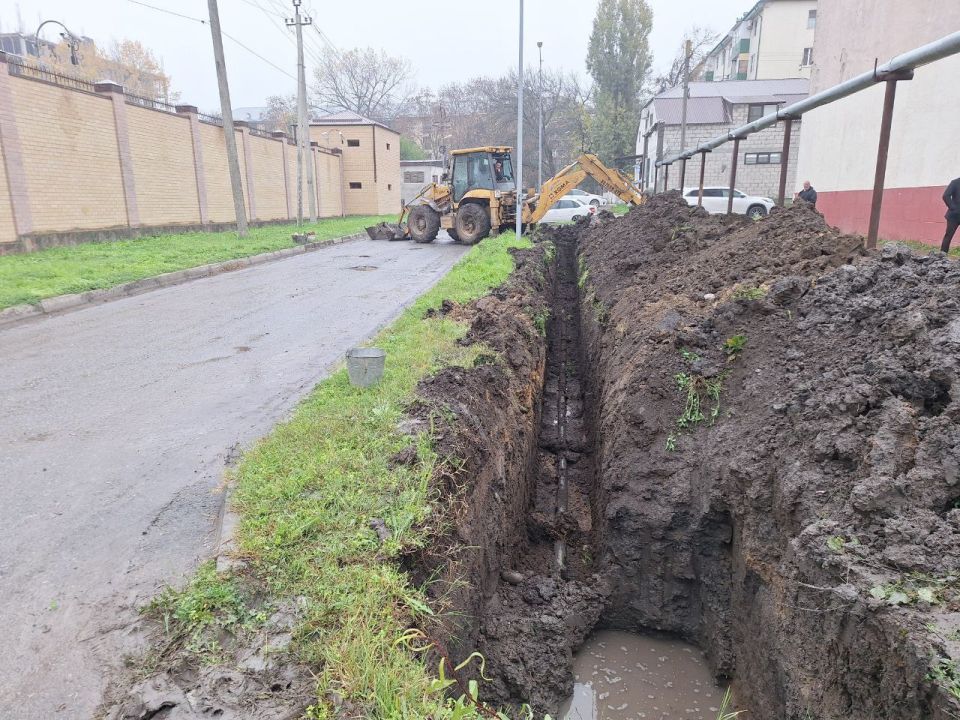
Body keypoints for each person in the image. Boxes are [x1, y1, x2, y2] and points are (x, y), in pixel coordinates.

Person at [942, 176, 960, 253]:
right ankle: (942, 257)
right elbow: (946, 195)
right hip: (954, 216)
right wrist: (953, 208)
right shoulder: (955, 182)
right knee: (948, 236)